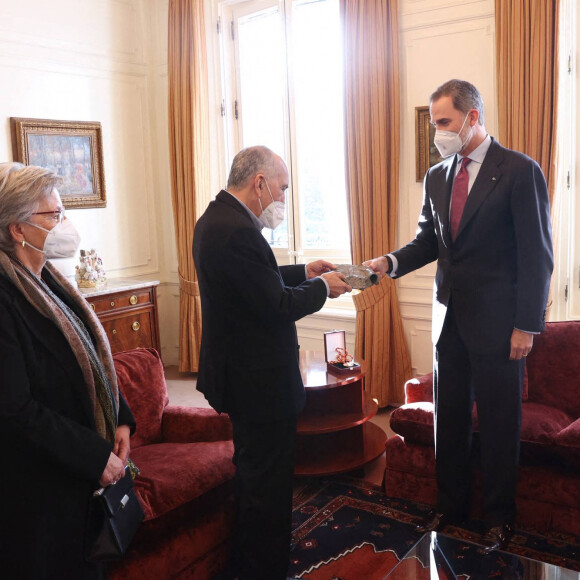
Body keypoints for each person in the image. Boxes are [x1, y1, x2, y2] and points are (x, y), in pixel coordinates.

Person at [366, 79, 553, 554]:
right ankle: (449, 506)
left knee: (498, 422)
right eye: (433, 124)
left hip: (500, 325)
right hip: (448, 321)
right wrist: (389, 263)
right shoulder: (437, 176)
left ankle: (498, 517)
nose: (437, 134)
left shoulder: (518, 171)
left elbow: (537, 256)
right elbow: (428, 241)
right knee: (447, 420)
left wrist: (526, 326)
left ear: (472, 117)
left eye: (444, 123)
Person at [193, 146, 352, 580]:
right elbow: (276, 305)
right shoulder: (239, 231)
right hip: (259, 384)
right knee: (268, 489)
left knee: (256, 479)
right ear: (259, 182)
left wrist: (304, 270)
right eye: (282, 189)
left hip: (244, 377)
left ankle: (250, 563)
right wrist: (323, 287)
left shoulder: (217, 219)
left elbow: (256, 282)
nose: (283, 198)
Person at [0, 162, 136, 579]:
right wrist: (94, 456)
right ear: (17, 230)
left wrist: (121, 420)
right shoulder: (5, 297)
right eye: (53, 215)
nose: (65, 224)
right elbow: (16, 410)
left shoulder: (52, 280)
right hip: (42, 491)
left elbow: (94, 362)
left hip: (80, 477)